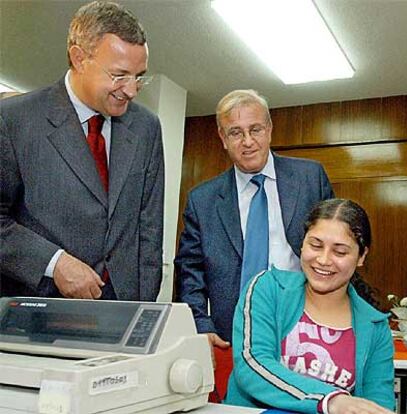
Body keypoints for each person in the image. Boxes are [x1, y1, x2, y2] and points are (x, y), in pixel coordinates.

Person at [0, 1, 164, 301]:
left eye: (139, 76)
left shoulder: (146, 128)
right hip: (40, 308)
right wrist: (54, 262)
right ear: (79, 58)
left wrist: (143, 308)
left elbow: (148, 230)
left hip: (122, 310)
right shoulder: (13, 120)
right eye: (119, 75)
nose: (131, 89)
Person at [175, 89, 334, 350]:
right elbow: (190, 272)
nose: (248, 141)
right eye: (236, 132)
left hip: (307, 329)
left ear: (269, 130)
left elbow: (337, 247)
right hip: (233, 336)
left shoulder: (310, 178)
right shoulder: (202, 200)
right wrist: (201, 325)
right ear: (223, 138)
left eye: (256, 129)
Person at [226, 198, 394, 414]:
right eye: (315, 245)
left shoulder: (375, 327)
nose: (324, 260)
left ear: (361, 257)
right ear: (302, 243)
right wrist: (330, 401)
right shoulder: (267, 288)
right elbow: (252, 364)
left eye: (340, 252)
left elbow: (377, 405)